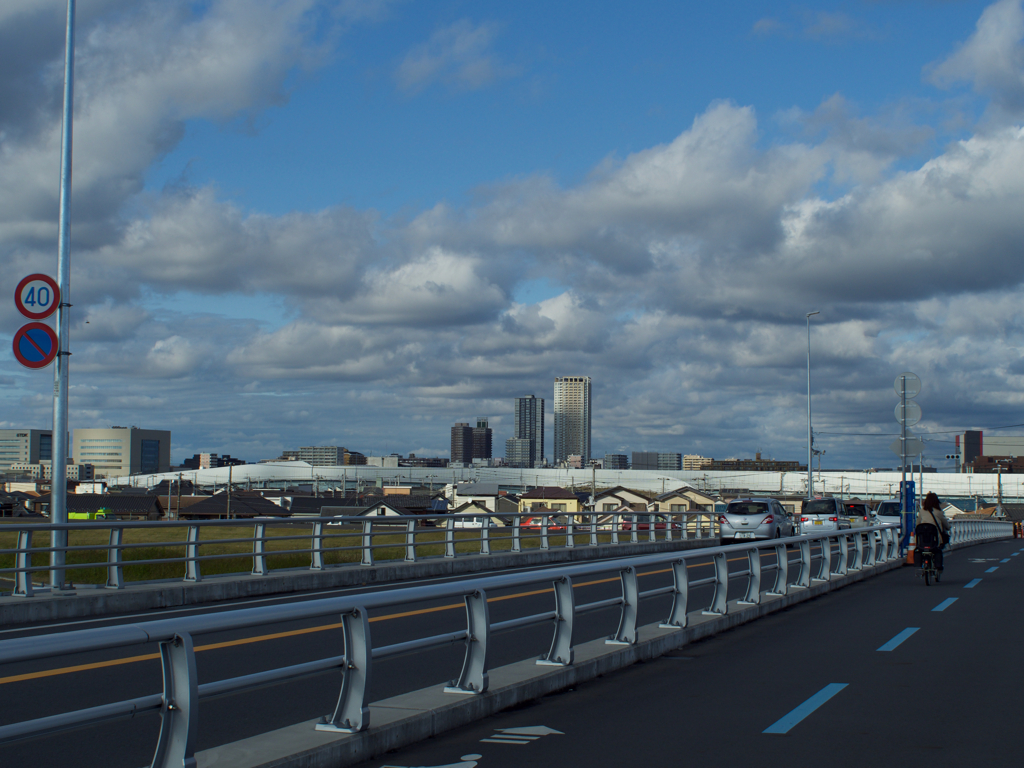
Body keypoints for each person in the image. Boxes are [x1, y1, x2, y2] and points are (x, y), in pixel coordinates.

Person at [915, 492, 951, 580]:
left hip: (922, 539)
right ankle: (938, 567)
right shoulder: (939, 512)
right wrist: (948, 528)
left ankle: (922, 566)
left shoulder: (922, 511)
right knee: (937, 550)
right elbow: (946, 525)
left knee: (921, 550)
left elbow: (917, 523)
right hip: (935, 539)